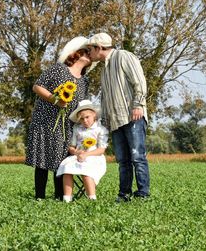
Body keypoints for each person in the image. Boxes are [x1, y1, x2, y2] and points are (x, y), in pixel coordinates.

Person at [25, 36, 92, 200]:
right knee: (42, 159)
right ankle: (39, 197)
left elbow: (82, 105)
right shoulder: (58, 69)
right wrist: (55, 100)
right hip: (45, 120)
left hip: (67, 124)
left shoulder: (85, 81)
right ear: (76, 53)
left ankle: (59, 196)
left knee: (61, 160)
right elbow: (37, 86)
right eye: (86, 52)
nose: (89, 55)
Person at [87, 32, 150, 202]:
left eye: (90, 50)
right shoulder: (104, 69)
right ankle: (124, 194)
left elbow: (139, 82)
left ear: (99, 48)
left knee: (137, 157)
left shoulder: (123, 56)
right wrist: (105, 120)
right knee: (123, 160)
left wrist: (137, 105)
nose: (89, 54)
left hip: (132, 116)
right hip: (115, 120)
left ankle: (143, 194)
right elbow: (105, 97)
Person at [56, 100, 108, 202]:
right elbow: (71, 147)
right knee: (66, 168)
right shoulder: (77, 128)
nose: (85, 121)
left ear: (94, 115)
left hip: (94, 156)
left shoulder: (100, 129)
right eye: (82, 119)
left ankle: (92, 198)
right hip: (78, 155)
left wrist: (86, 154)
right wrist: (76, 152)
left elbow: (101, 150)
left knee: (86, 169)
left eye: (87, 117)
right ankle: (67, 198)